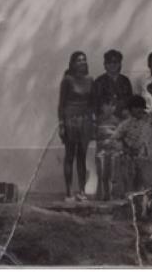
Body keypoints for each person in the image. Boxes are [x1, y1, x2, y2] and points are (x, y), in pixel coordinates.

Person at [58, 51, 94, 201]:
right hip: (70, 120)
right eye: (78, 60)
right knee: (70, 156)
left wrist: (92, 120)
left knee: (82, 156)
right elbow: (61, 104)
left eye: (84, 59)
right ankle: (68, 191)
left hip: (85, 120)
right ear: (72, 63)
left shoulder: (90, 80)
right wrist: (62, 124)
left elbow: (92, 102)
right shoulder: (67, 80)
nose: (81, 62)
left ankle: (82, 191)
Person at [111, 95, 152, 193]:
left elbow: (151, 141)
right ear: (131, 109)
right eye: (136, 108)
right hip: (131, 160)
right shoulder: (126, 124)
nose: (139, 110)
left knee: (148, 187)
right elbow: (114, 139)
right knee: (132, 187)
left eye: (141, 107)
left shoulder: (149, 122)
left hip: (147, 159)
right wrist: (124, 148)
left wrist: (151, 155)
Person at [93, 49, 134, 119]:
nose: (112, 65)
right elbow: (96, 103)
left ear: (120, 64)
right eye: (109, 62)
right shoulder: (99, 81)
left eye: (115, 62)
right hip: (105, 117)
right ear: (105, 64)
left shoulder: (125, 80)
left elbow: (131, 101)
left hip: (124, 115)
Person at [94, 101, 120, 201]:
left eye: (113, 105)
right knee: (102, 174)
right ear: (102, 106)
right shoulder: (99, 120)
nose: (110, 108)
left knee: (113, 174)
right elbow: (95, 135)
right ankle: (104, 194)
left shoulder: (117, 121)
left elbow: (119, 135)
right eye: (107, 105)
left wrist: (112, 137)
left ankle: (113, 194)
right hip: (101, 151)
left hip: (113, 151)